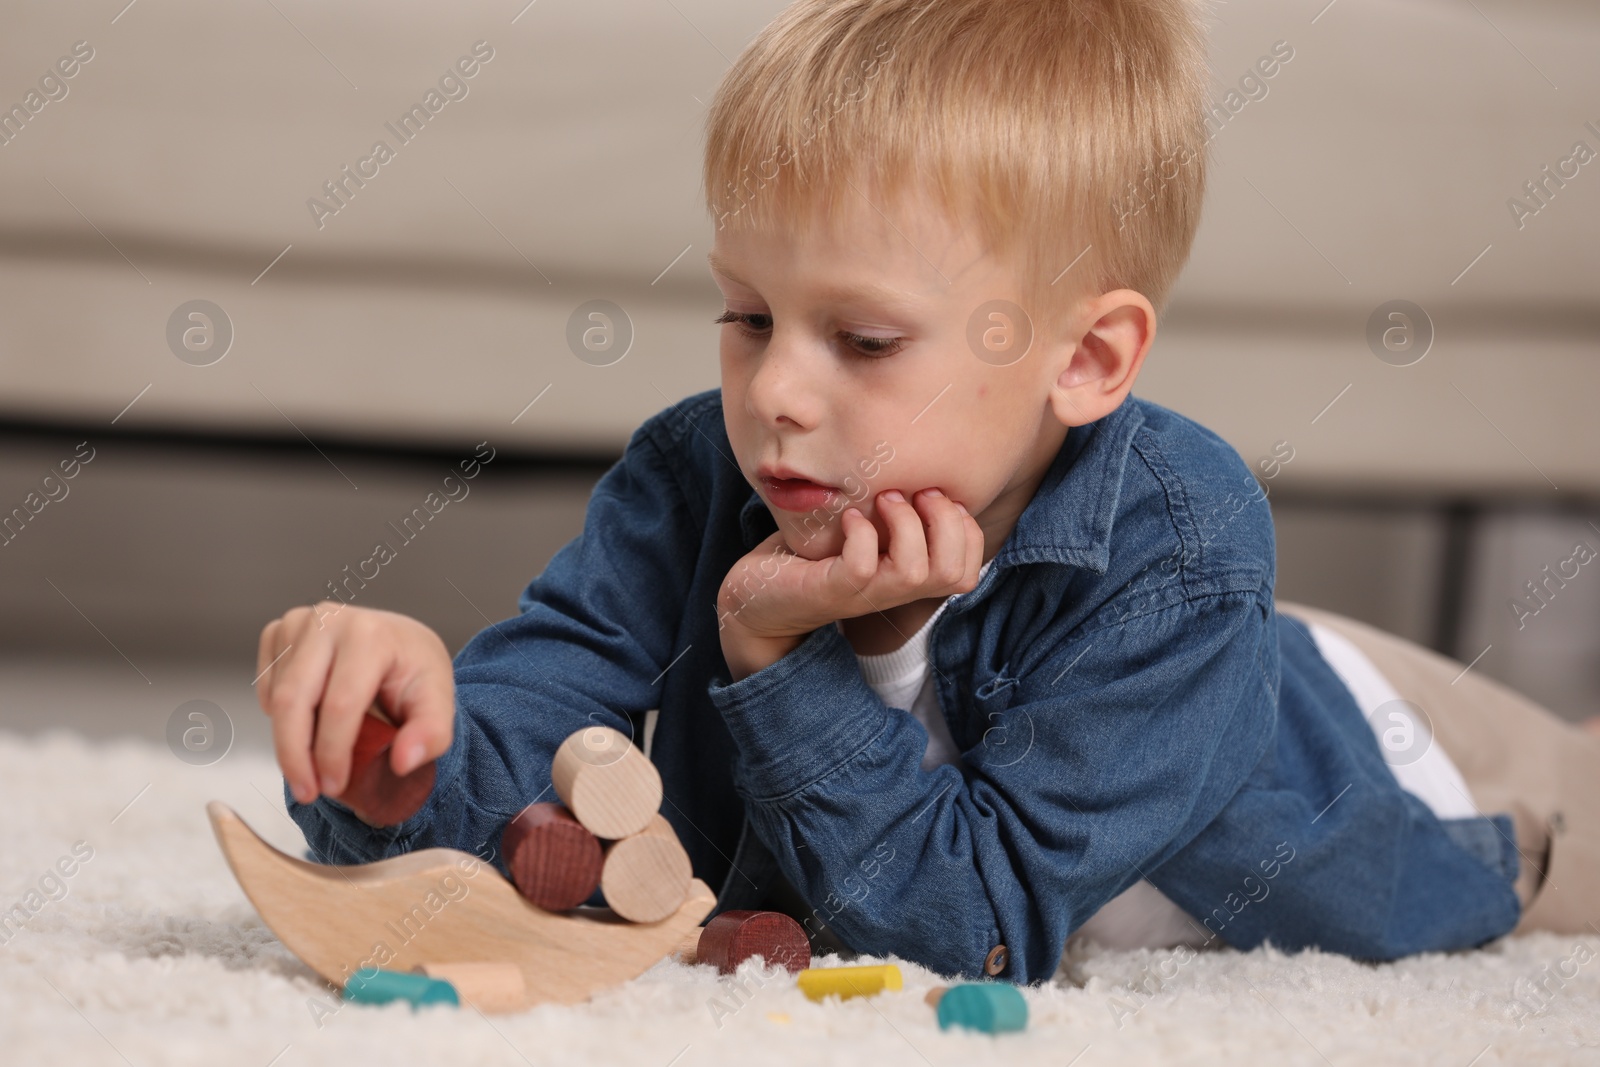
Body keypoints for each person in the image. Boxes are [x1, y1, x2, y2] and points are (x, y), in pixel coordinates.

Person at [254, 0, 1597, 984]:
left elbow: (977, 931)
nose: (776, 389)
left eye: (864, 340)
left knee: (1572, 833)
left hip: (1366, 736)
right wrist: (403, 752)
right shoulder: (697, 471)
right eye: (746, 314)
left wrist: (774, 651)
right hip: (1195, 667)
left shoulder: (1185, 545)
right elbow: (541, 732)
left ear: (1084, 359)